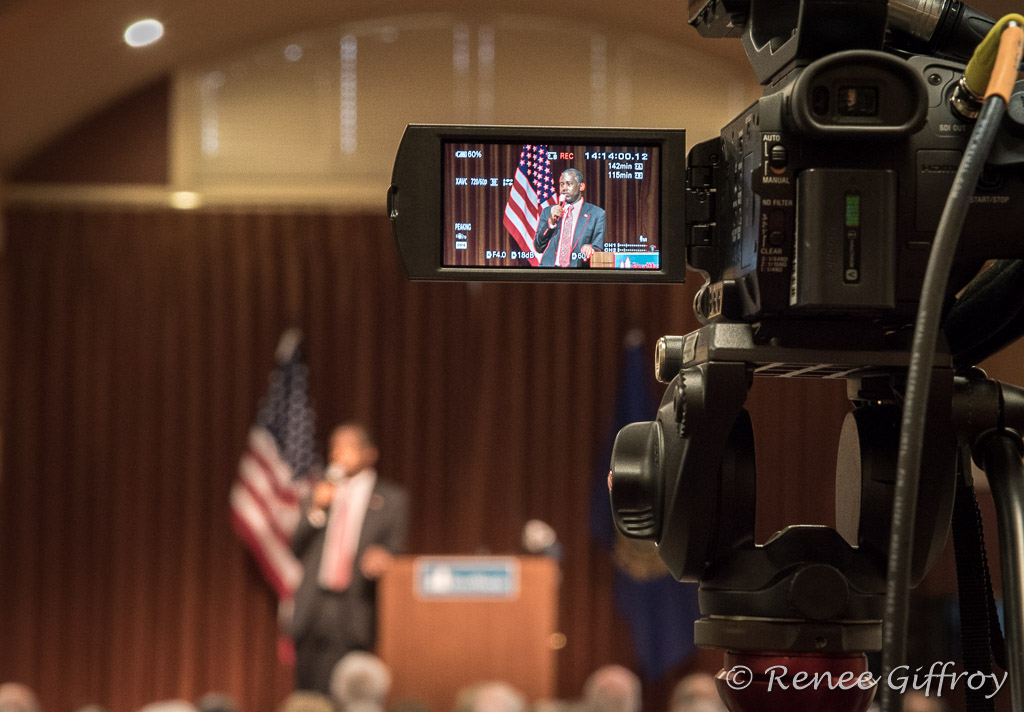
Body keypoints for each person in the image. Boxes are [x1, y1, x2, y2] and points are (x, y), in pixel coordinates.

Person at [291, 423, 409, 694]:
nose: (338, 454)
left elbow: (394, 550)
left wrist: (384, 557)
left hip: (355, 604)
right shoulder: (319, 492)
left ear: (369, 454)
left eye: (348, 447)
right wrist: (317, 510)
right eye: (334, 447)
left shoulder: (390, 499)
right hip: (314, 605)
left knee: (346, 691)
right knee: (307, 690)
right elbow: (297, 548)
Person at [534, 168, 606, 267]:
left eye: (569, 184)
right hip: (548, 273)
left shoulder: (597, 214)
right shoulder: (548, 212)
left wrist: (589, 247)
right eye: (562, 184)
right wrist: (550, 222)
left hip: (577, 274)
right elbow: (538, 247)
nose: (564, 188)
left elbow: (598, 248)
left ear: (581, 186)